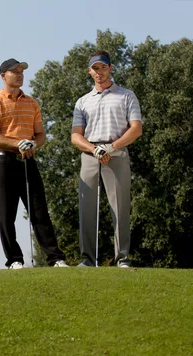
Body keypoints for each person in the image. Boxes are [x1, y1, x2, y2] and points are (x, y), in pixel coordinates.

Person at [0, 58, 68, 269]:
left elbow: (41, 135)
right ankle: (14, 260)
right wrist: (16, 143)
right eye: (15, 72)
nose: (20, 75)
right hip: (5, 161)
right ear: (4, 76)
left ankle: (55, 258)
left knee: (40, 212)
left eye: (22, 72)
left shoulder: (31, 103)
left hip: (28, 160)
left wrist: (32, 144)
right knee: (6, 214)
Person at [71, 51, 143, 268]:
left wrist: (111, 147)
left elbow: (136, 129)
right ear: (89, 71)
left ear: (111, 68)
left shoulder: (127, 95)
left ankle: (122, 259)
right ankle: (87, 259)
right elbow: (76, 136)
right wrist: (95, 150)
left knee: (120, 208)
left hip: (117, 153)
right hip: (90, 154)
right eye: (95, 68)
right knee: (87, 208)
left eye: (102, 68)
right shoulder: (83, 101)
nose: (99, 72)